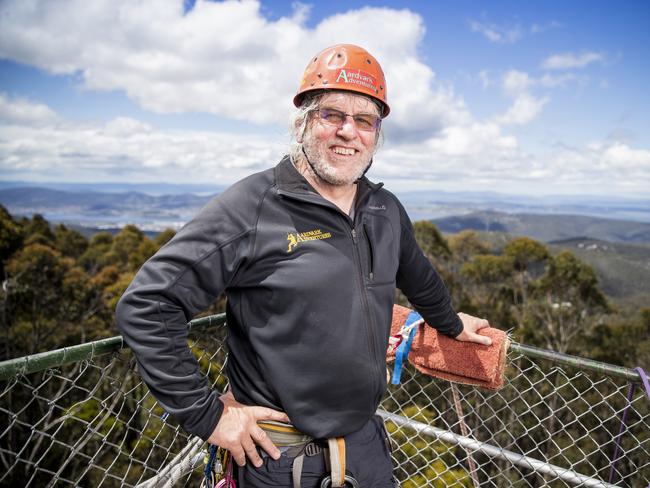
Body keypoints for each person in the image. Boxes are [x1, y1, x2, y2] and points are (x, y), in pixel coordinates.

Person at [116, 44, 491, 487]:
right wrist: (207, 414)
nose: (349, 131)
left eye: (364, 120)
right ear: (303, 124)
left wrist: (449, 324)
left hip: (366, 444)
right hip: (278, 457)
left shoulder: (384, 209)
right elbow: (148, 304)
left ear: (376, 135)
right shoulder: (253, 207)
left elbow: (418, 275)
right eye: (332, 114)